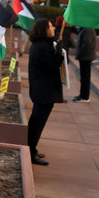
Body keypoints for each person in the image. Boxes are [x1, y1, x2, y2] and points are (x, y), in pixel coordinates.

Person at [27, 18, 64, 166]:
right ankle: (30, 152)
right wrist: (59, 51)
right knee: (37, 123)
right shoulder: (42, 47)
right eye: (50, 26)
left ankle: (32, 149)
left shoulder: (42, 45)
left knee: (37, 121)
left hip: (42, 90)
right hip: (43, 91)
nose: (54, 28)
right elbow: (52, 66)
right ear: (44, 30)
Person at [73, 27, 97, 102]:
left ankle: (85, 96)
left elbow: (87, 43)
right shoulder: (85, 28)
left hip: (86, 57)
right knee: (83, 77)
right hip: (85, 56)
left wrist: (80, 53)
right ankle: (82, 95)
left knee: (85, 77)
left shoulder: (88, 29)